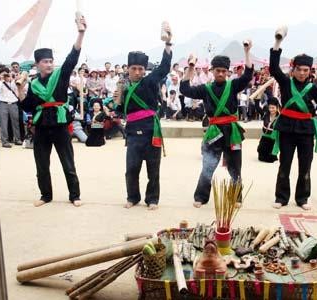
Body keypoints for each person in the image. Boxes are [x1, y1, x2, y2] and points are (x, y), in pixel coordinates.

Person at [17, 14, 87, 207]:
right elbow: (29, 106)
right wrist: (19, 90)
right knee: (41, 165)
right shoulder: (33, 83)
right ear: (38, 64)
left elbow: (73, 58)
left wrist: (80, 33)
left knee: (68, 163)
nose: (49, 64)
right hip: (41, 125)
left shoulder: (61, 76)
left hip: (60, 124)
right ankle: (45, 196)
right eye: (45, 61)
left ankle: (75, 195)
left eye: (51, 61)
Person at [180, 40, 254, 208]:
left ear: (228, 72)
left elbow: (248, 75)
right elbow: (184, 89)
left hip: (232, 131)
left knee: (235, 168)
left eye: (223, 71)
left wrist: (247, 52)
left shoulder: (233, 85)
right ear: (212, 71)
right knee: (208, 166)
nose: (220, 74)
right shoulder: (205, 89)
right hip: (214, 131)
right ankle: (200, 197)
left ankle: (236, 198)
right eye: (217, 71)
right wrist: (191, 67)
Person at [269, 30, 317, 211]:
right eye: (300, 70)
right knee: (285, 164)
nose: (303, 73)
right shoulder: (285, 82)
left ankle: (302, 198)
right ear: (293, 69)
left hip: (306, 129)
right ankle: (281, 197)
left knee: (305, 165)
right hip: (287, 128)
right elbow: (273, 68)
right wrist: (277, 42)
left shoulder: (313, 87)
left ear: (310, 71)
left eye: (306, 70)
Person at [113, 22, 173, 210]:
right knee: (131, 168)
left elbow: (163, 68)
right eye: (134, 68)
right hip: (132, 132)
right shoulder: (122, 87)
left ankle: (152, 199)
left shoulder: (150, 81)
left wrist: (168, 44)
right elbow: (120, 112)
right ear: (128, 69)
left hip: (151, 130)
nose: (138, 72)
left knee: (153, 169)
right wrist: (116, 105)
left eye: (141, 68)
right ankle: (133, 197)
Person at [0, 68, 23, 147]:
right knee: (4, 123)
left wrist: (12, 78)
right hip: (3, 104)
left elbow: (17, 88)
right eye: (3, 74)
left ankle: (17, 139)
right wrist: (2, 80)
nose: (5, 76)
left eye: (6, 74)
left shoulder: (13, 81)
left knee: (16, 122)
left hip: (14, 104)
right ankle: (5, 141)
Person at [257, 97, 280, 162]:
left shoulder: (280, 117)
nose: (271, 110)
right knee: (261, 157)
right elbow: (257, 106)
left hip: (273, 139)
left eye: (273, 108)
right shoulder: (265, 114)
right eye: (270, 107)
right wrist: (259, 94)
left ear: (277, 107)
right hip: (264, 137)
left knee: (270, 159)